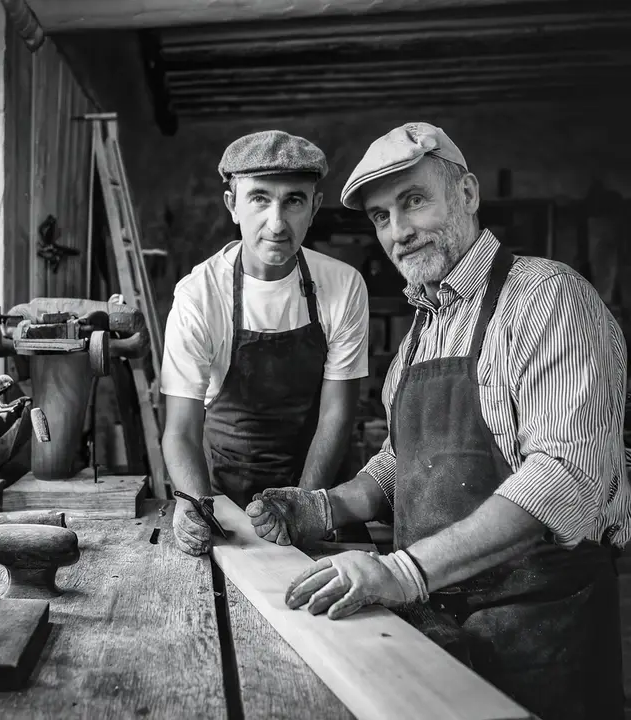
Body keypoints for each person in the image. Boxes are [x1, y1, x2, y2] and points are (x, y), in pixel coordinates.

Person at [245, 122, 630, 720]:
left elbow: (562, 481)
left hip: (539, 640)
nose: (397, 232)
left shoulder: (547, 299)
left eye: (414, 201)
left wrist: (401, 572)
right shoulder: (420, 332)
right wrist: (319, 506)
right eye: (380, 216)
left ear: (468, 195)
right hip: (436, 638)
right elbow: (401, 466)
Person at [161, 130, 369, 558]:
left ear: (314, 207)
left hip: (319, 490)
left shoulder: (343, 286)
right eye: (259, 199)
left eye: (293, 200)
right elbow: (180, 430)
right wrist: (195, 505)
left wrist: (306, 508)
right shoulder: (199, 295)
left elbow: (336, 413)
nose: (276, 223)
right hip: (225, 498)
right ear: (231, 205)